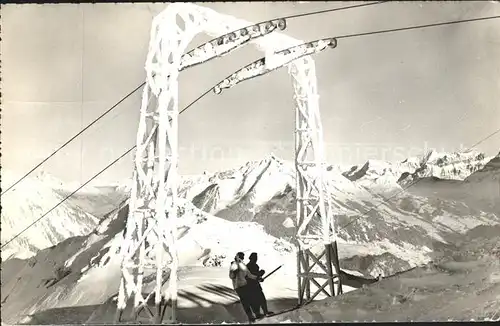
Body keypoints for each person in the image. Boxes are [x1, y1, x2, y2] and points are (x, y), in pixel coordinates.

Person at [229, 252, 262, 323]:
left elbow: (249, 275)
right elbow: (231, 276)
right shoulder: (234, 265)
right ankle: (251, 316)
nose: (242, 258)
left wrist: (257, 278)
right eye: (240, 256)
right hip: (238, 287)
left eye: (242, 256)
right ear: (237, 257)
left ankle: (257, 314)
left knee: (251, 299)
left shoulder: (243, 265)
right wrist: (234, 272)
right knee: (245, 302)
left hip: (245, 285)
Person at [246, 252, 273, 318]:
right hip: (251, 287)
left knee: (262, 299)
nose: (256, 259)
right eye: (255, 258)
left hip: (256, 285)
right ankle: (257, 314)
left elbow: (257, 276)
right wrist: (260, 274)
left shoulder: (256, 266)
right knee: (255, 300)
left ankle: (265, 311)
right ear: (251, 258)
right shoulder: (248, 266)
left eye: (256, 258)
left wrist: (260, 278)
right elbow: (251, 275)